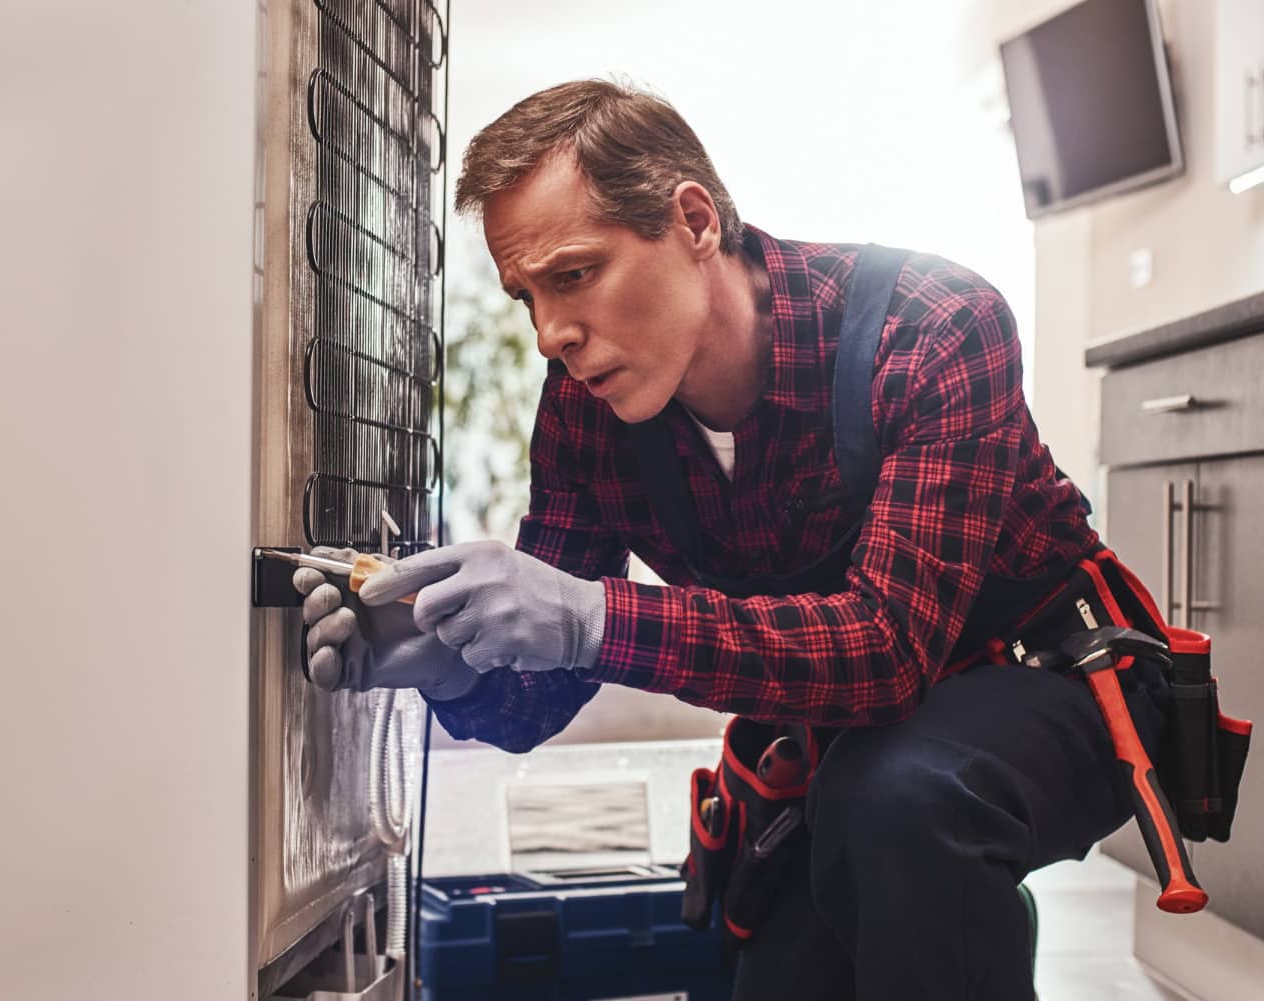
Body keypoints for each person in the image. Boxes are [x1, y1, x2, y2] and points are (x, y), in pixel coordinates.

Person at [293, 79, 1174, 1001]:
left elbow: (888, 649)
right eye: (526, 296)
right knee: (787, 949)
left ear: (694, 220)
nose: (552, 335)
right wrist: (451, 666)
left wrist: (592, 615)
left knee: (903, 804)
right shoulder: (585, 414)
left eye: (575, 274)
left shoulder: (936, 326)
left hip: (1052, 673)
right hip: (843, 742)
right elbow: (538, 695)